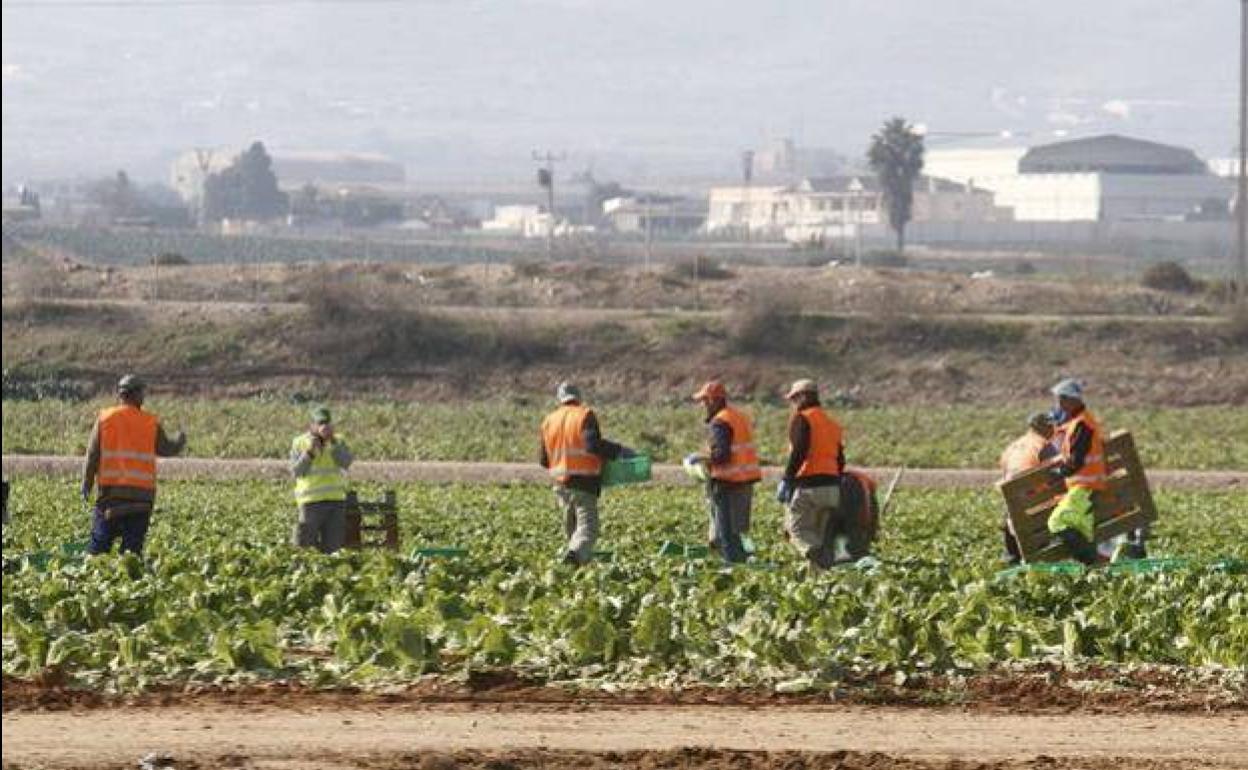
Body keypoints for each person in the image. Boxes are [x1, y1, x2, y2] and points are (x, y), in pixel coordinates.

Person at [81, 375, 186, 555]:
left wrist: (87, 484)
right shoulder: (149, 422)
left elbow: (92, 455)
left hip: (111, 498)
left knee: (98, 551)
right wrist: (181, 440)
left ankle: (90, 576)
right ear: (137, 395)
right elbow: (167, 448)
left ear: (121, 395)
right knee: (131, 554)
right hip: (141, 500)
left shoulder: (105, 419)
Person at [539, 382, 631, 565]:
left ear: (560, 399)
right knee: (588, 528)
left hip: (560, 484)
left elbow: (543, 459)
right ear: (578, 397)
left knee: (572, 528)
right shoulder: (584, 415)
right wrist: (619, 451)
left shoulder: (549, 420)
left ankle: (575, 565)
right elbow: (592, 445)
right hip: (583, 482)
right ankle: (575, 555)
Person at [776, 379, 864, 569]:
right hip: (831, 488)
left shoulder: (803, 419)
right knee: (817, 533)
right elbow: (840, 459)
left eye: (794, 399)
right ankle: (818, 580)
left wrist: (787, 478)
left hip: (808, 487)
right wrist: (834, 480)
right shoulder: (830, 423)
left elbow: (799, 451)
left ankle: (820, 555)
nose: (793, 404)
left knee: (795, 531)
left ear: (803, 397)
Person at [690, 381, 762, 564]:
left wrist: (702, 458)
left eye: (704, 401)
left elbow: (721, 455)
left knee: (726, 536)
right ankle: (743, 565)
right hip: (744, 481)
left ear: (713, 400)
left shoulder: (720, 422)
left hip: (727, 482)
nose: (703, 405)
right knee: (736, 533)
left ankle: (734, 569)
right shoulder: (737, 417)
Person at [1047, 379, 1108, 565]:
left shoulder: (1082, 424)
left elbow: (1076, 460)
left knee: (1057, 522)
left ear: (1070, 400)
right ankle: (1092, 565)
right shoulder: (1079, 421)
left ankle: (1093, 563)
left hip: (1085, 486)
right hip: (1084, 486)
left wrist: (1059, 472)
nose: (1058, 404)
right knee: (1083, 531)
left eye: (1060, 400)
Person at [290, 406, 354, 554]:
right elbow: (296, 471)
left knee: (334, 548)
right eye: (319, 423)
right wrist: (310, 453)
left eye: (326, 423)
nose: (323, 427)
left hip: (335, 501)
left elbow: (346, 462)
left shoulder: (338, 441)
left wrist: (331, 443)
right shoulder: (299, 442)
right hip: (310, 502)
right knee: (305, 546)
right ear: (312, 425)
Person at [998, 412, 1058, 564]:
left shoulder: (1012, 447)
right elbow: (1059, 476)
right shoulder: (1044, 446)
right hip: (1036, 509)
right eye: (1051, 426)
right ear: (1044, 428)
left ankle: (1011, 557)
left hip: (1012, 512)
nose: (1054, 430)